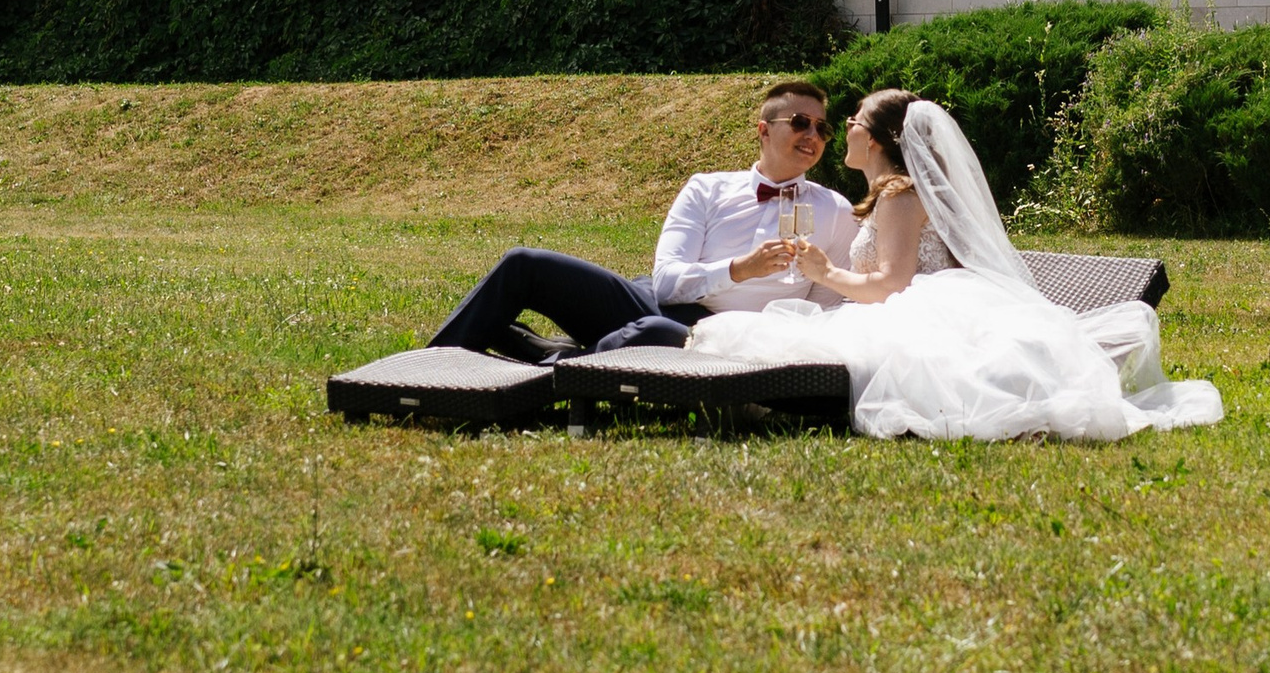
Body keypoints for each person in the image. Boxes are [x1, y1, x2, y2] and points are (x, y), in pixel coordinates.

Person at [685, 87, 1223, 442]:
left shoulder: (899, 194)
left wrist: (825, 274)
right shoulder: (893, 195)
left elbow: (892, 284)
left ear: (870, 138)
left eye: (848, 122)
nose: (838, 131)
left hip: (917, 309)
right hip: (932, 303)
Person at [427, 78, 859, 360]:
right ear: (763, 130)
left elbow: (825, 308)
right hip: (659, 301)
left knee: (655, 332)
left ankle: (553, 356)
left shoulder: (834, 210)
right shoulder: (706, 189)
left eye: (822, 128)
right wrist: (739, 270)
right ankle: (428, 367)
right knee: (525, 263)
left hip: (725, 336)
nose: (812, 136)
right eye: (800, 122)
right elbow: (668, 282)